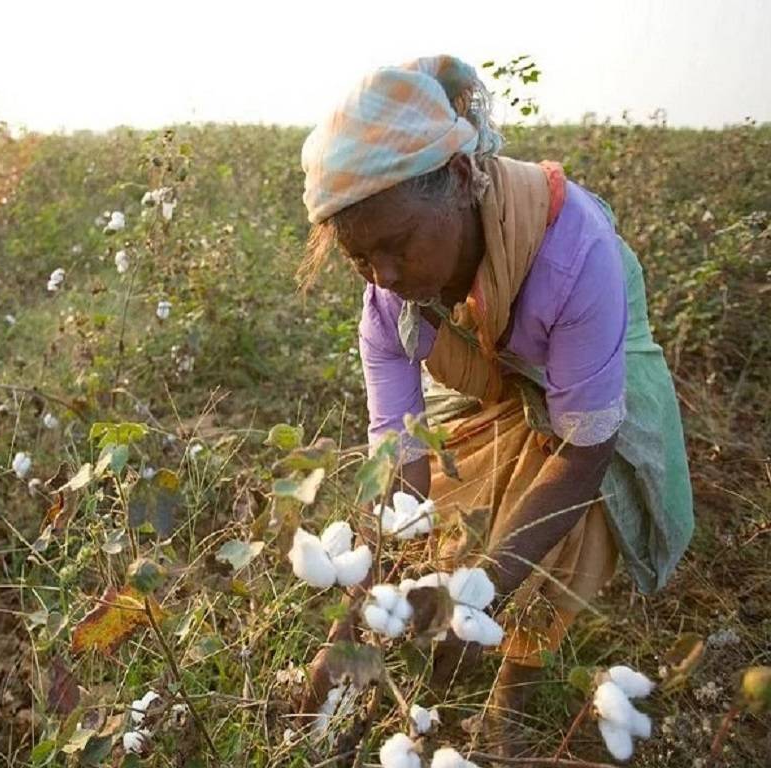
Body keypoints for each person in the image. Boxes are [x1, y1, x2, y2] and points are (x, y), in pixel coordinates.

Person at [297, 55, 694, 755]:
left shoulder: (574, 255)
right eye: (361, 259)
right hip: (496, 372)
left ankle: (519, 685)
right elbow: (401, 468)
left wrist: (474, 598)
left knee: (566, 515)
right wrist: (351, 632)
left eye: (397, 246)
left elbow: (580, 454)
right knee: (459, 500)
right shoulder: (390, 304)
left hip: (591, 376)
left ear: (457, 180)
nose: (385, 276)